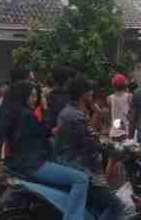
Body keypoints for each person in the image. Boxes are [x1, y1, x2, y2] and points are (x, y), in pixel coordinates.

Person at [5, 81, 89, 220]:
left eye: (35, 96)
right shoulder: (27, 115)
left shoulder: (14, 113)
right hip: (34, 164)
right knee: (81, 179)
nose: (34, 99)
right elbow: (46, 130)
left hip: (23, 162)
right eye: (31, 96)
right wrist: (45, 108)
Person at [55, 77, 128, 220]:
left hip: (76, 163)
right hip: (83, 168)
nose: (92, 94)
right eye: (90, 92)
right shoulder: (75, 116)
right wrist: (116, 149)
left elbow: (90, 133)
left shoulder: (72, 112)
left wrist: (97, 115)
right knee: (116, 205)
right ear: (84, 94)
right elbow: (92, 142)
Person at [46, 66, 72, 131]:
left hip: (54, 130)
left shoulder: (49, 95)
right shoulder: (72, 95)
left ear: (53, 79)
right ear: (68, 79)